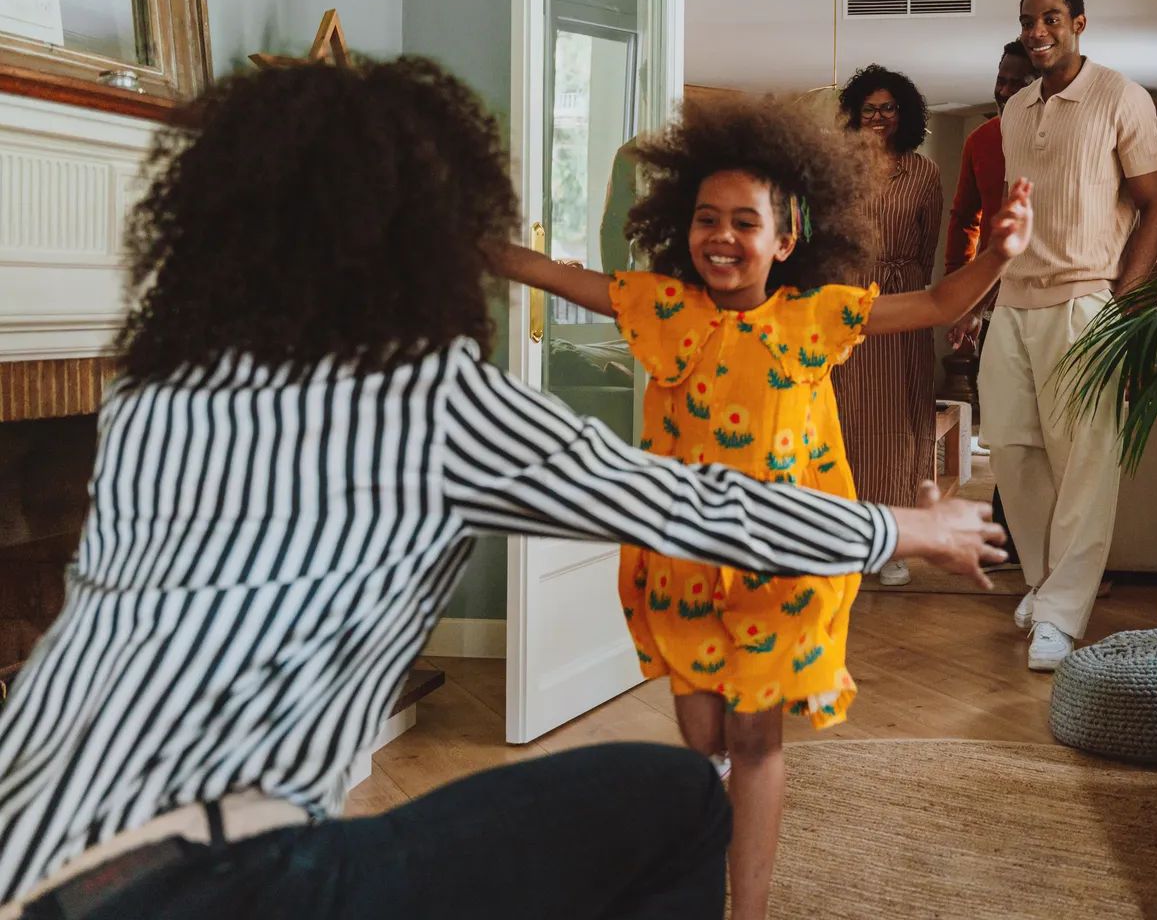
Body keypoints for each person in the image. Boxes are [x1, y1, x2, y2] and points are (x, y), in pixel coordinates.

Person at [0, 59, 1008, 920]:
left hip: (21, 851)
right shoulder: (432, 400)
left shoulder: (152, 393)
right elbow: (684, 504)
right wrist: (902, 527)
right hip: (204, 882)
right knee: (681, 798)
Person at [491, 91, 1031, 920]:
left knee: (755, 740)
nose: (722, 236)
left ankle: (751, 911)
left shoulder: (815, 317)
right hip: (681, 567)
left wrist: (996, 254)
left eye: (745, 222)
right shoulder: (660, 309)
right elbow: (539, 270)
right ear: (684, 228)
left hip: (787, 566)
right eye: (708, 219)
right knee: (701, 744)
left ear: (785, 241)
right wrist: (441, 235)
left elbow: (936, 305)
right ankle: (700, 881)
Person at [979, 0, 1157, 672]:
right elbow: (1011, 210)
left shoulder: (1121, 96)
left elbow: (1156, 205)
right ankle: (1045, 583)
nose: (1038, 31)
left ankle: (1061, 616)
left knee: (1086, 465)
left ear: (1079, 22)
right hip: (1014, 298)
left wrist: (1122, 305)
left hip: (1085, 300)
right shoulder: (1014, 110)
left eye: (1051, 18)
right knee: (1009, 445)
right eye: (1029, 20)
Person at [831, 64, 944, 587]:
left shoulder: (923, 172)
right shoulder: (837, 169)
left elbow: (928, 245)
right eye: (868, 108)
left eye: (887, 108)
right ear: (856, 115)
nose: (877, 117)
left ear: (905, 115)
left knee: (901, 422)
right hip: (850, 304)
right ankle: (848, 532)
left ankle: (892, 539)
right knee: (848, 415)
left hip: (905, 302)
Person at [945, 40, 1037, 561]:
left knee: (1044, 428)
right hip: (996, 301)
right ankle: (1004, 531)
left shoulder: (1061, 138)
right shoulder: (981, 139)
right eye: (1000, 79)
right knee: (1003, 423)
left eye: (1015, 82)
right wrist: (964, 300)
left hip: (1056, 297)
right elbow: (964, 219)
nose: (1002, 91)